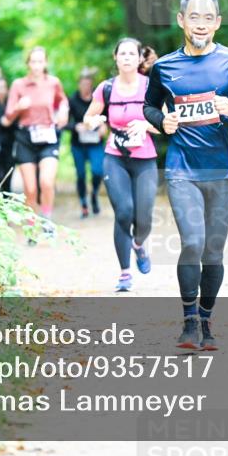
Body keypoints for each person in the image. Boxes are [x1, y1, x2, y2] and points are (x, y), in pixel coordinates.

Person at [143, 0, 228, 351]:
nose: (201, 24)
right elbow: (149, 107)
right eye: (194, 17)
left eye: (208, 18)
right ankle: (189, 321)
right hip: (182, 169)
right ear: (181, 20)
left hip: (222, 169)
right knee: (192, 242)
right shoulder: (165, 67)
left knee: (213, 251)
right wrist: (163, 120)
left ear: (218, 23)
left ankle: (207, 320)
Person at [83, 39, 159, 292]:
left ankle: (139, 244)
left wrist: (147, 125)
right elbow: (88, 117)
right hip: (115, 158)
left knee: (144, 217)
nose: (127, 57)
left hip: (145, 158)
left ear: (139, 59)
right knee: (124, 211)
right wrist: (94, 121)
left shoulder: (151, 86)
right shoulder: (105, 88)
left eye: (131, 53)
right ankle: (125, 273)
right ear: (115, 58)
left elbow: (168, 122)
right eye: (122, 53)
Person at [1, 47, 68, 239]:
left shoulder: (53, 83)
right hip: (26, 138)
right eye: (33, 62)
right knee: (30, 189)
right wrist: (18, 107)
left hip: (48, 137)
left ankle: (47, 220)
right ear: (28, 64)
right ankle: (31, 225)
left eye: (40, 62)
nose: (37, 66)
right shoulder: (19, 85)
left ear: (45, 63)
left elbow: (62, 101)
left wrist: (63, 111)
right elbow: (7, 117)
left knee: (46, 182)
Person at [68, 68, 106, 218]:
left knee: (98, 171)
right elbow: (64, 123)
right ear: (79, 85)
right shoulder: (72, 100)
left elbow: (107, 117)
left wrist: (104, 126)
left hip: (95, 142)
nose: (86, 87)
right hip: (78, 144)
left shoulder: (98, 99)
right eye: (83, 84)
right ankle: (84, 203)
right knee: (81, 174)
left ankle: (94, 195)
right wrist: (75, 127)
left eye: (88, 84)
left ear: (92, 85)